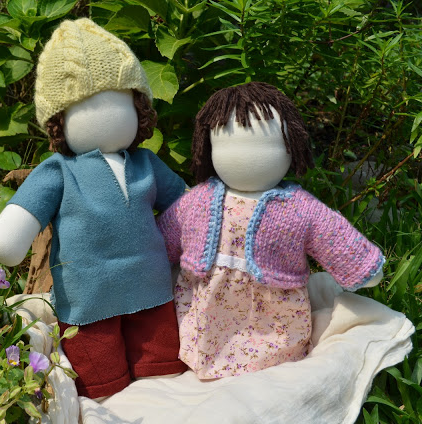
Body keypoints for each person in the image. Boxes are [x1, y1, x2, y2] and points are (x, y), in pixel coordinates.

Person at [0, 18, 188, 398]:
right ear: (58, 121)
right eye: (88, 105)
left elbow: (188, 205)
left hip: (153, 291)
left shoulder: (146, 164)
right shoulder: (58, 171)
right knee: (100, 381)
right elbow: (11, 234)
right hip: (88, 301)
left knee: (163, 371)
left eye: (121, 101)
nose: (108, 115)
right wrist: (8, 239)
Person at [157, 82, 385, 379]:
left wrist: (361, 266)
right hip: (207, 317)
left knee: (273, 354)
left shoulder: (298, 208)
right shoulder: (198, 200)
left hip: (273, 320)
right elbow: (164, 238)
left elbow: (334, 237)